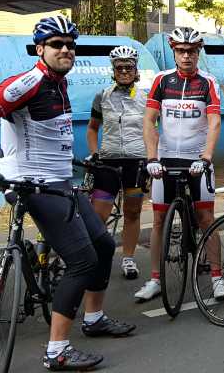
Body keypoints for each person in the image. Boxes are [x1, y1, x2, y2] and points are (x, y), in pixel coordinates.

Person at [0, 16, 135, 371]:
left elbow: (48, 138)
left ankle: (93, 319)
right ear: (40, 49)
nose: (65, 50)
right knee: (82, 260)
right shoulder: (28, 82)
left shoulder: (58, 84)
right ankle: (56, 349)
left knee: (104, 245)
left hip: (60, 183)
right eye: (57, 44)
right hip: (32, 185)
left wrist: (82, 163)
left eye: (71, 45)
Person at [138, 27, 224, 301]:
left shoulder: (207, 82)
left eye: (191, 51)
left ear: (198, 53)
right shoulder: (163, 81)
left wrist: (207, 157)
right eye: (181, 51)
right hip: (165, 160)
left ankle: (217, 275)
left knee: (206, 219)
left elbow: (214, 122)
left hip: (198, 159)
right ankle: (155, 279)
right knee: (159, 220)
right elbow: (149, 121)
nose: (186, 56)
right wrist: (152, 158)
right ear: (174, 52)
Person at [85, 45, 149, 280]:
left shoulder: (145, 97)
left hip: (136, 161)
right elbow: (92, 129)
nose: (124, 71)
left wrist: (153, 156)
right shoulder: (102, 96)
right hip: (109, 161)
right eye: (119, 67)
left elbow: (154, 129)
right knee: (98, 215)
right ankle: (97, 257)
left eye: (128, 67)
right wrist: (94, 154)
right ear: (113, 70)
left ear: (135, 69)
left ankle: (129, 259)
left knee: (132, 212)